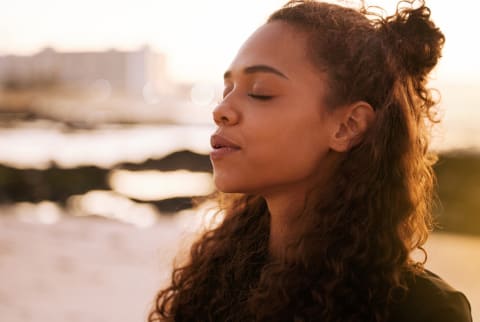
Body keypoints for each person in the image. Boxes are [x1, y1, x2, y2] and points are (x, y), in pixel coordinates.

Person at [149, 1, 473, 321]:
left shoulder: (425, 312)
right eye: (228, 89)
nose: (221, 110)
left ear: (347, 126)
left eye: (260, 91)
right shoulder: (215, 281)